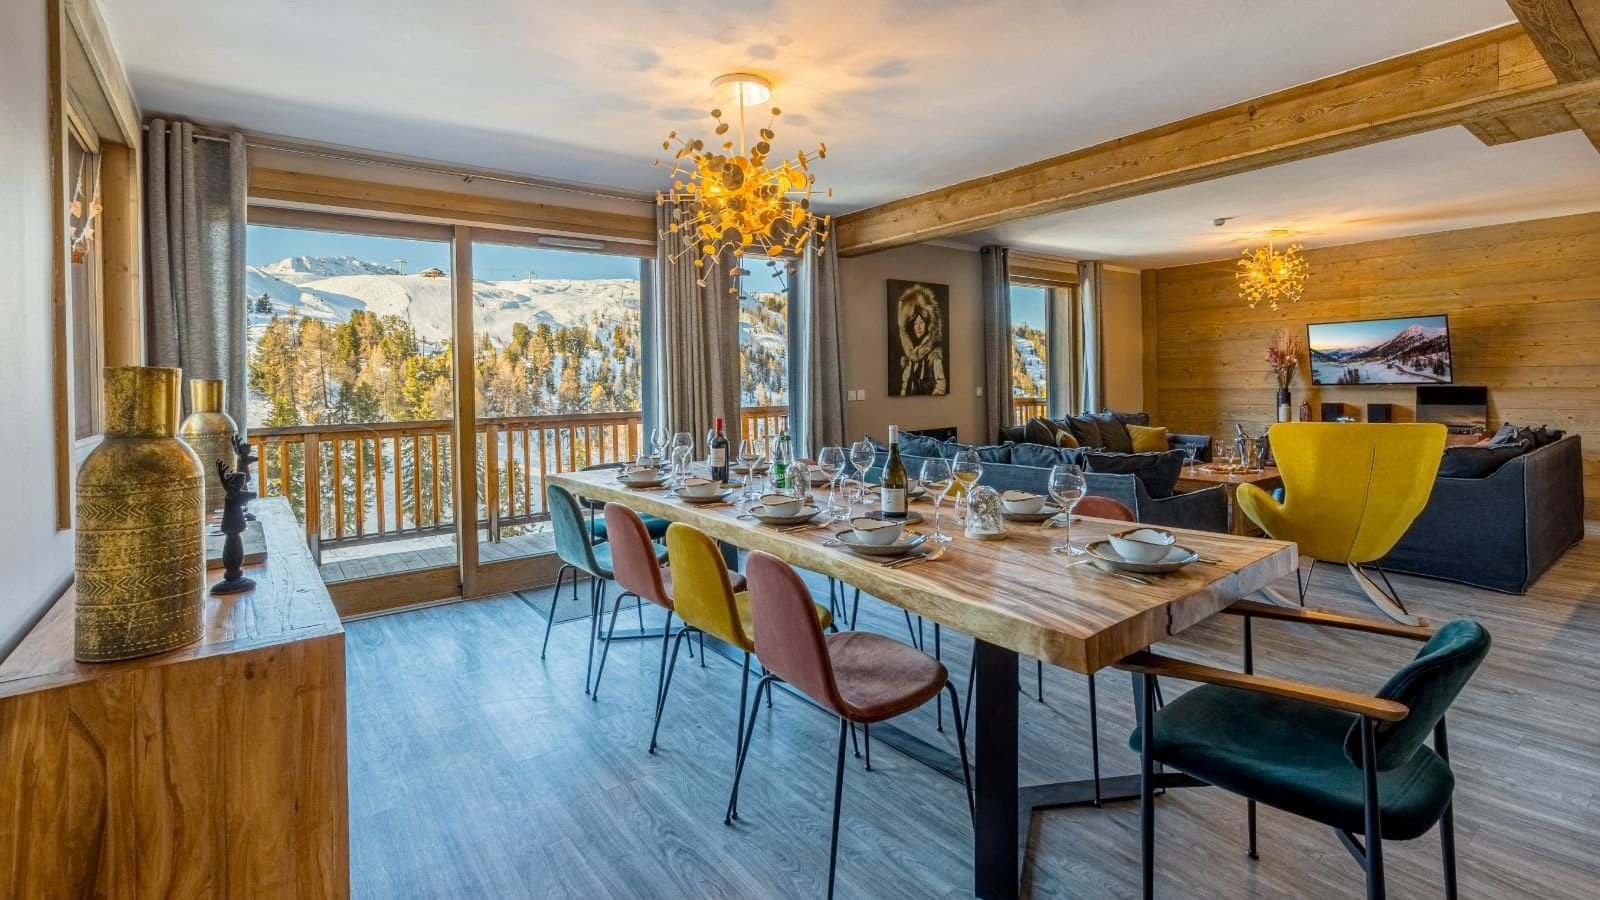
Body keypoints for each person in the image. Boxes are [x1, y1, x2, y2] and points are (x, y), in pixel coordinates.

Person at [895, 283, 947, 396]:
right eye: (915, 323)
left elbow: (941, 385)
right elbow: (905, 386)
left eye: (921, 322)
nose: (918, 327)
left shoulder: (933, 356)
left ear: (927, 324)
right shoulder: (912, 357)